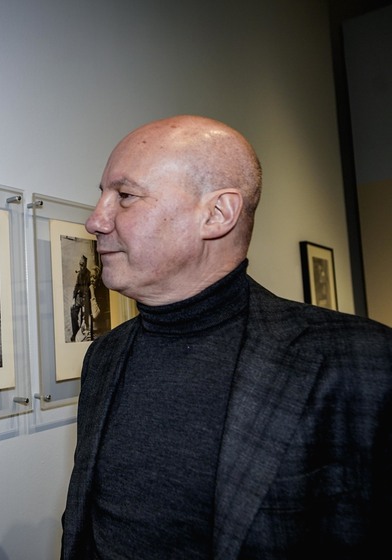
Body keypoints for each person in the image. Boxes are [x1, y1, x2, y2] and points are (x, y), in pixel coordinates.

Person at [61, 115, 392, 558]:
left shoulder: (361, 363)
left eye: (124, 196)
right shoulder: (104, 355)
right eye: (101, 196)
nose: (94, 220)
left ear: (217, 215)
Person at [70, 254, 91, 342]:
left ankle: (85, 330)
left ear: (85, 264)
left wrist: (85, 298)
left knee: (85, 314)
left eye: (82, 264)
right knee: (73, 310)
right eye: (80, 264)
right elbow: (76, 286)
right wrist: (73, 298)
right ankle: (75, 332)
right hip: (79, 297)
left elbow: (90, 287)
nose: (80, 266)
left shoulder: (89, 274)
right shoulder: (79, 274)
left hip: (86, 297)